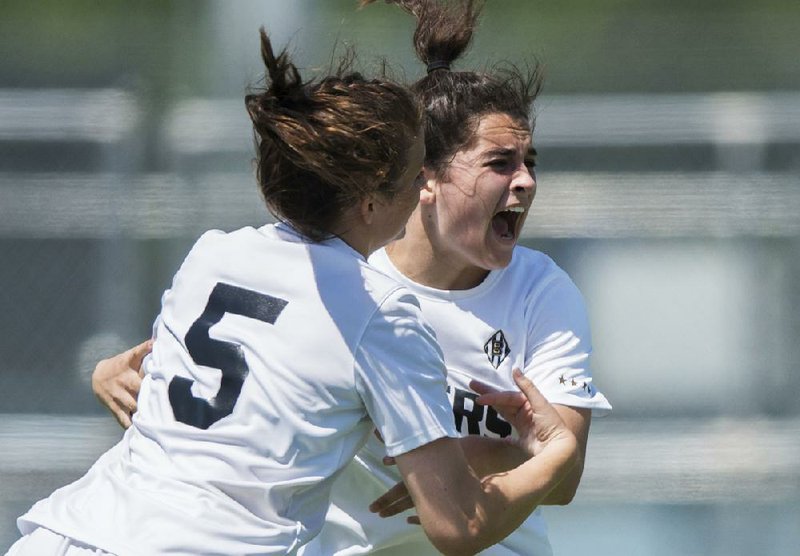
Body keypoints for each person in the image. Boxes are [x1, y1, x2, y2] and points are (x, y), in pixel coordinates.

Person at [8, 26, 579, 556]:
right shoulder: (380, 313)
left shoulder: (214, 253)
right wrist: (555, 453)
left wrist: (111, 371)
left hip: (66, 532)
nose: (420, 189)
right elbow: (460, 526)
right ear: (370, 198)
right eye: (412, 176)